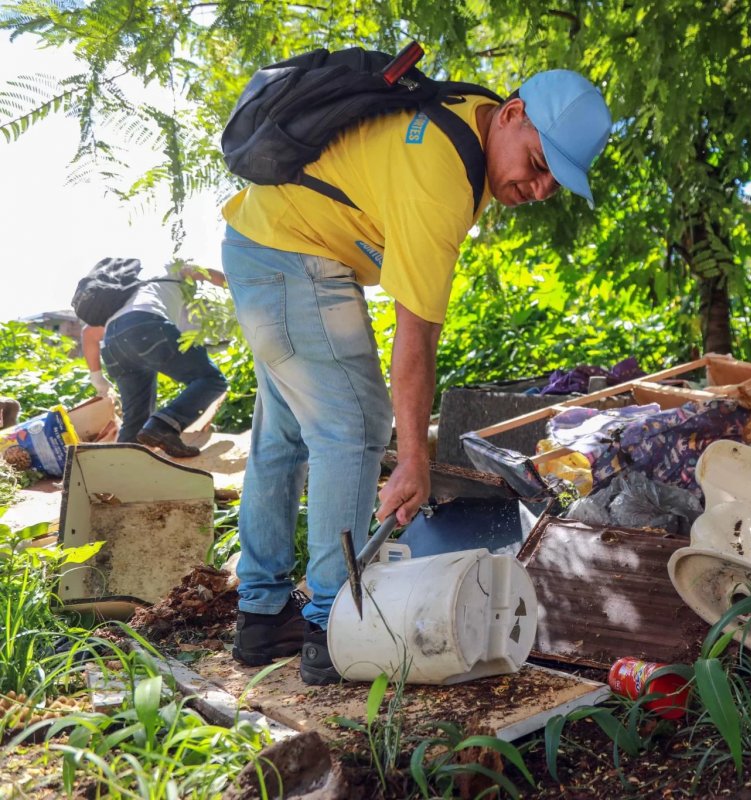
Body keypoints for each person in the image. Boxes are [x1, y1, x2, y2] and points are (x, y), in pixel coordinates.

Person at [222, 68, 612, 684]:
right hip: (292, 251)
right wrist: (413, 460)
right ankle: (331, 623)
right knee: (354, 425)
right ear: (511, 114)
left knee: (287, 435)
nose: (539, 189)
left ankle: (263, 613)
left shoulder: (472, 114)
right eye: (538, 164)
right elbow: (417, 337)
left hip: (265, 243)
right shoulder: (442, 172)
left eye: (554, 182)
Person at [82, 261, 230, 458]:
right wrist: (238, 287)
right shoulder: (173, 268)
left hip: (113, 342)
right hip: (146, 326)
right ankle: (163, 426)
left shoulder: (130, 294)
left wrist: (97, 377)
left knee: (135, 421)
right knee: (211, 380)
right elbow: (208, 273)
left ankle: (121, 472)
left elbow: (88, 333)